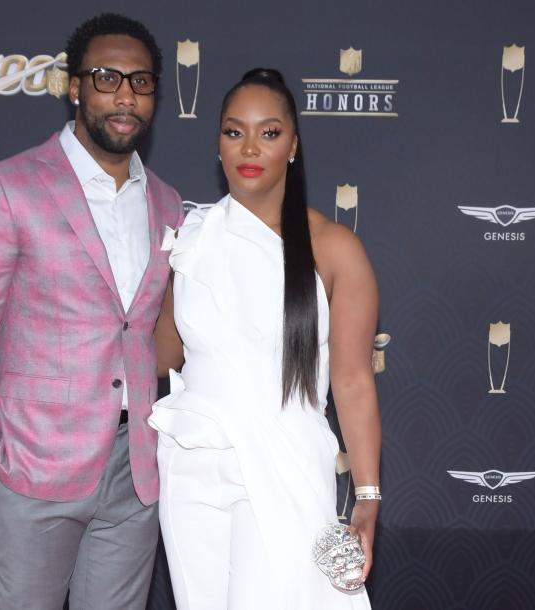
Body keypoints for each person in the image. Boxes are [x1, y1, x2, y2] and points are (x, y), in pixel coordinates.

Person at [0, 13, 183, 610]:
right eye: (106, 77)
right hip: (31, 462)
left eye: (142, 81)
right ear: (74, 87)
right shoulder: (6, 185)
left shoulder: (167, 202)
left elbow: (153, 334)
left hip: (136, 468)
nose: (125, 94)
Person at [150, 68, 381, 609]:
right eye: (234, 132)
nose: (250, 147)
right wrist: (162, 273)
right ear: (218, 144)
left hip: (282, 462)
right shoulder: (192, 237)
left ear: (293, 145)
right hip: (191, 465)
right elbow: (164, 355)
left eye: (269, 132)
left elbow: (351, 379)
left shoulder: (334, 247)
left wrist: (367, 495)